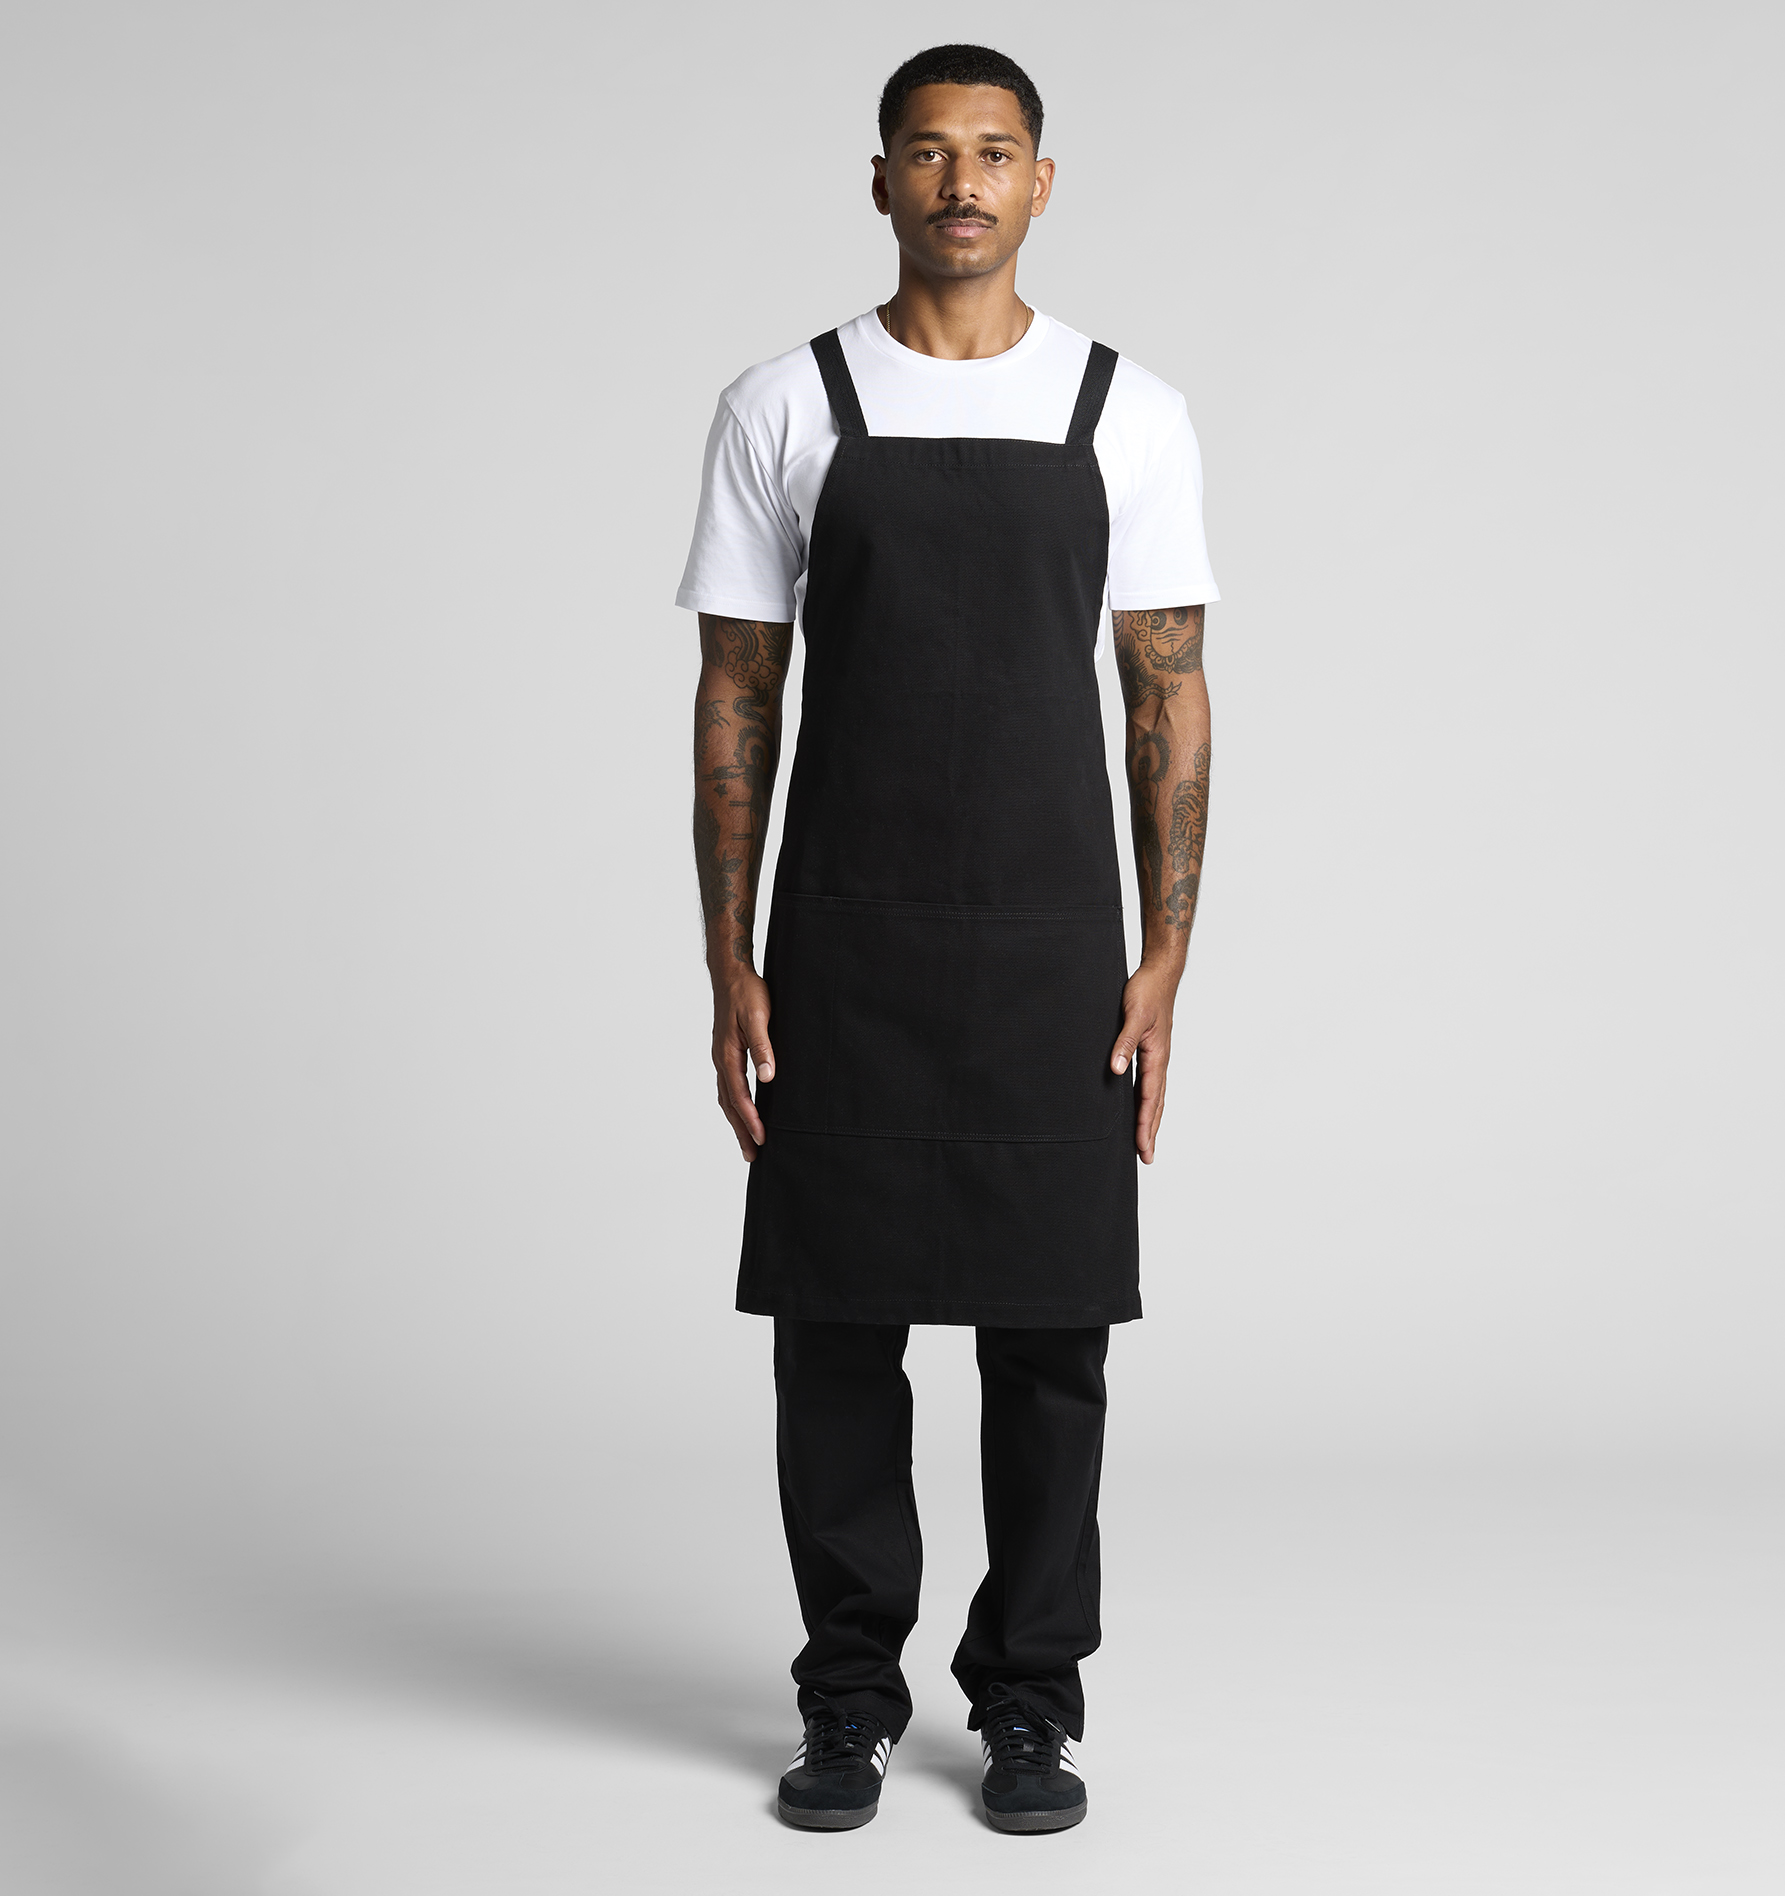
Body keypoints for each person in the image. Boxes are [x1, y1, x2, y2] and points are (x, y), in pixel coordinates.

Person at [678, 43, 1216, 1834]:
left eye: (994, 152)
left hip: (1056, 949)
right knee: (835, 1329)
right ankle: (846, 1701)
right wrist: (730, 956)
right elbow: (736, 694)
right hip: (844, 943)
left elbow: (1169, 692)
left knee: (1051, 1340)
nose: (962, 181)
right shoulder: (785, 404)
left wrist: (1165, 954)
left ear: (1041, 182)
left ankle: (1031, 1705)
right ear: (883, 179)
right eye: (928, 151)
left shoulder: (1128, 411)